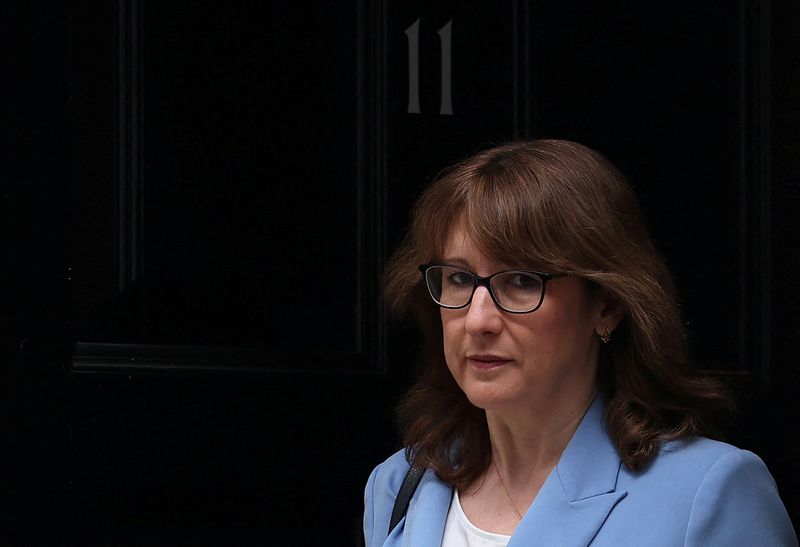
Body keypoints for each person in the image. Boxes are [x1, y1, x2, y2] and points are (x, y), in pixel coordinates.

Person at [363, 140, 797, 546]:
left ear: (606, 305)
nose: (478, 320)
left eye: (520, 281)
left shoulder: (709, 491)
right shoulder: (398, 483)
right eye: (458, 279)